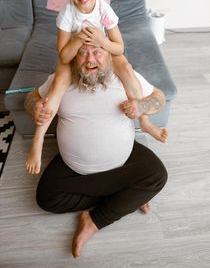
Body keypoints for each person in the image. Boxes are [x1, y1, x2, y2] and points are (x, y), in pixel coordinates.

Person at [25, 0, 168, 175]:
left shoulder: (102, 8)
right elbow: (63, 55)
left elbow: (119, 47)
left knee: (127, 69)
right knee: (58, 83)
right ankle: (38, 140)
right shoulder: (67, 13)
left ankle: (146, 122)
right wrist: (78, 38)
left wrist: (102, 41)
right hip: (74, 55)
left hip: (104, 50)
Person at [24, 44, 168, 258]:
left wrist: (143, 106)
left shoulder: (125, 77)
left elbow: (159, 97)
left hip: (124, 159)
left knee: (158, 176)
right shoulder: (61, 80)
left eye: (97, 52)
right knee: (46, 199)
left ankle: (94, 220)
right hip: (73, 164)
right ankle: (127, 196)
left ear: (109, 55)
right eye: (82, 52)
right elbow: (31, 97)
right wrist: (34, 107)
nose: (90, 59)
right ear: (74, 56)